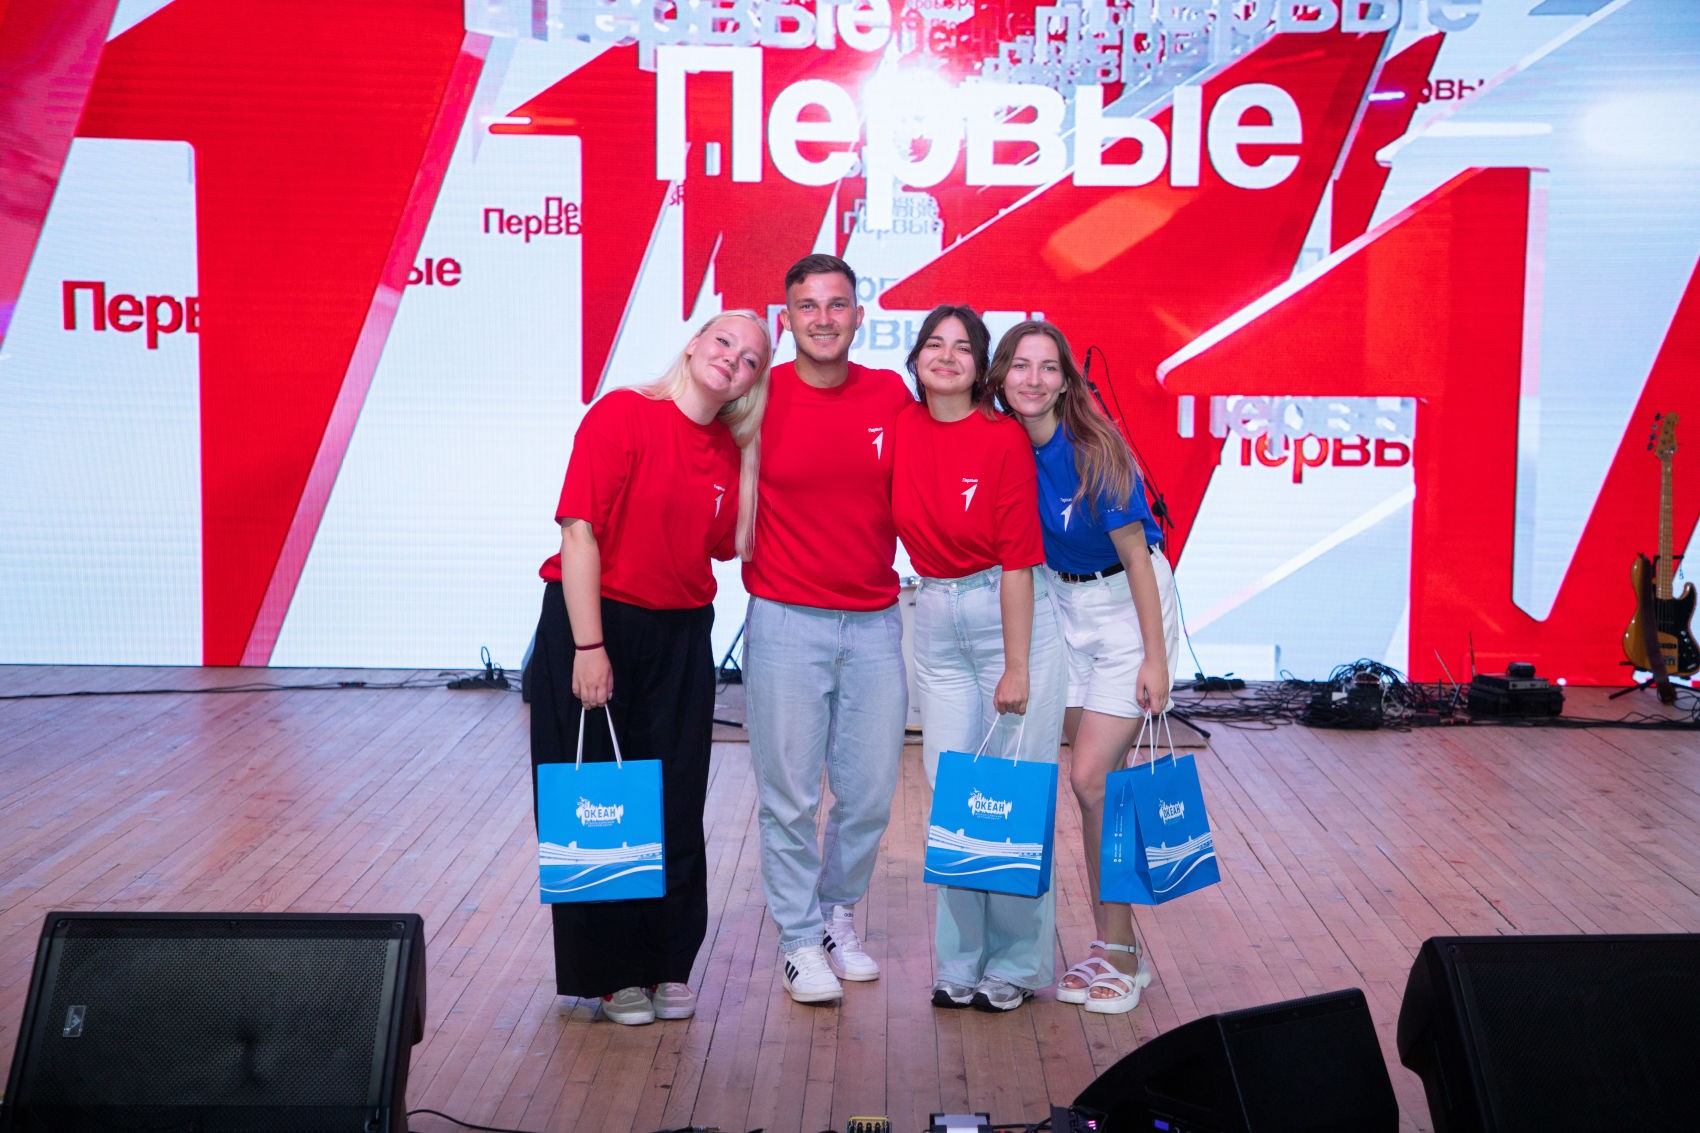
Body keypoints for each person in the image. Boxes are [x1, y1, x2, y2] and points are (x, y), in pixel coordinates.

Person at [528, 310, 771, 1025]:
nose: (733, 359)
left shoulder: (730, 452)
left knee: (673, 800)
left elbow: (723, 546)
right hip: (596, 621)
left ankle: (666, 963)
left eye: (751, 359)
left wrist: (754, 463)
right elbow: (579, 531)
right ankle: (609, 975)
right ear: (693, 344)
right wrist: (589, 647)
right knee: (600, 801)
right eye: (724, 341)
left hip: (682, 635)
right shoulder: (624, 413)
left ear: (752, 383)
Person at [993, 319, 1180, 1016]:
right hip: (1062, 609)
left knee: (1092, 779)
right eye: (1021, 365)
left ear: (1065, 382)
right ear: (1000, 375)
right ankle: (1111, 944)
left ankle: (1123, 952)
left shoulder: (1095, 448)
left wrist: (1156, 657)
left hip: (1126, 607)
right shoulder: (1004, 445)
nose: (1033, 379)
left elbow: (1137, 558)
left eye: (1048, 367)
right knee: (1096, 789)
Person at [742, 254, 914, 1004]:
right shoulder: (757, 395)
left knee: (869, 794)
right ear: (787, 320)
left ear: (857, 316)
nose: (822, 318)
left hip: (874, 623)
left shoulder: (889, 394)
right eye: (807, 306)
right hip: (785, 620)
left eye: (836, 304)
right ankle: (797, 938)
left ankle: (836, 913)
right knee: (788, 798)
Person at [895, 304, 1067, 1012]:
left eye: (961, 347)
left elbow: (1020, 560)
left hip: (1009, 615)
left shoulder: (1002, 438)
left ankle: (1018, 964)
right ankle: (960, 961)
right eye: (933, 344)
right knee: (953, 793)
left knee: (1015, 793)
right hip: (935, 615)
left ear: (979, 365)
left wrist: (1017, 665)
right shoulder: (900, 425)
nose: (946, 356)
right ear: (915, 359)